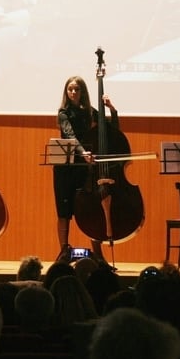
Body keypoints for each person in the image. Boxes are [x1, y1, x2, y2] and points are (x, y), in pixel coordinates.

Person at [53, 75, 119, 265]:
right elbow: (69, 135)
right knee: (64, 211)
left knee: (90, 209)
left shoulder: (89, 111)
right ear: (66, 92)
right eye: (70, 89)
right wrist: (83, 153)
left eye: (77, 89)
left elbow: (111, 129)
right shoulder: (63, 113)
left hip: (86, 169)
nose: (73, 92)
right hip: (66, 168)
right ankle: (64, 252)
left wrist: (112, 110)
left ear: (83, 92)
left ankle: (98, 254)